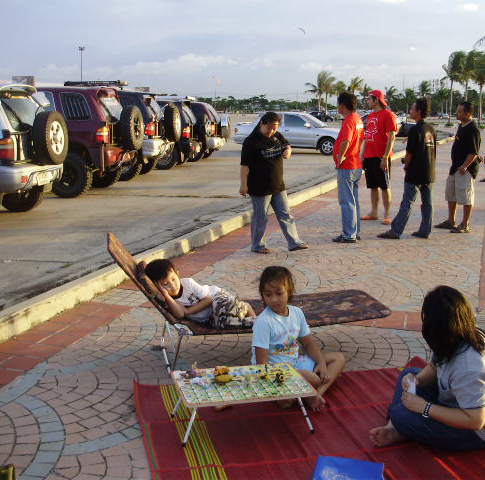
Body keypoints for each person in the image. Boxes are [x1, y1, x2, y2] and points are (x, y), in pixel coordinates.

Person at [369, 285, 485, 451]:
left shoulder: (470, 367)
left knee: (401, 414)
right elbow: (435, 368)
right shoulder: (455, 335)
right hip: (454, 401)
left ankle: (399, 425)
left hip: (474, 432)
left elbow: (475, 420)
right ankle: (395, 427)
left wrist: (425, 407)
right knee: (408, 374)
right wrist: (417, 381)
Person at [251, 266, 345, 411]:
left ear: (289, 291)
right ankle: (301, 391)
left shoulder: (296, 313)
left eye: (279, 293)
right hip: (275, 371)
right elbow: (261, 365)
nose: (273, 299)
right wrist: (282, 377)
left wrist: (321, 363)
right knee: (309, 383)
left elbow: (308, 344)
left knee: (338, 359)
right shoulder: (263, 322)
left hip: (296, 362)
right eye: (268, 294)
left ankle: (315, 395)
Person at [240, 112, 308, 254]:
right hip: (259, 186)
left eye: (275, 128)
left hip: (277, 184)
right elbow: (244, 166)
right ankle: (258, 246)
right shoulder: (251, 141)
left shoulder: (277, 136)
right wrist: (243, 185)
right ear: (262, 124)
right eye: (269, 128)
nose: (272, 131)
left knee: (285, 214)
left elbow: (286, 144)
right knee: (261, 217)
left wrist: (288, 150)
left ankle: (294, 243)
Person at [137, 259, 256, 329]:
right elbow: (180, 315)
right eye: (165, 284)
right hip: (212, 317)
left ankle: (245, 307)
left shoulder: (188, 283)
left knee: (220, 306)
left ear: (178, 274)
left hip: (218, 298)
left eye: (173, 279)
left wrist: (188, 311)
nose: (172, 286)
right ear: (158, 286)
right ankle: (255, 321)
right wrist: (167, 296)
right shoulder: (168, 300)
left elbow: (209, 299)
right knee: (222, 324)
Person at [378, 98, 436, 240]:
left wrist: (406, 166)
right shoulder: (430, 129)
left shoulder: (415, 130)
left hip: (415, 172)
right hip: (429, 172)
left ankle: (396, 231)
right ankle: (425, 230)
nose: (410, 111)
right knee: (427, 203)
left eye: (412, 108)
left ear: (418, 111)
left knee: (407, 203)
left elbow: (409, 153)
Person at [434, 101, 481, 234]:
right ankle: (451, 220)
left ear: (468, 113)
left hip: (465, 169)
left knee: (466, 196)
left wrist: (465, 166)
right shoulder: (461, 126)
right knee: (451, 194)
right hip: (455, 167)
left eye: (460, 111)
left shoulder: (473, 129)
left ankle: (465, 223)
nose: (457, 113)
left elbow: (473, 152)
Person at [361, 90, 398, 225]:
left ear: (376, 100)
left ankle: (387, 214)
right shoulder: (371, 115)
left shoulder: (388, 115)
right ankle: (374, 212)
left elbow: (391, 137)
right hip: (369, 155)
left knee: (384, 186)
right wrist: (362, 155)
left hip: (381, 156)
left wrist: (385, 157)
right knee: (373, 186)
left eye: (369, 99)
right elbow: (367, 136)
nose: (367, 101)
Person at [332, 92, 364, 243]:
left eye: (338, 104)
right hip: (356, 164)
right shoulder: (358, 119)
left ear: (342, 105)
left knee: (346, 202)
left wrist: (340, 157)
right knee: (353, 201)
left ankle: (349, 234)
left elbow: (346, 140)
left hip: (347, 166)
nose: (337, 107)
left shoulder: (349, 121)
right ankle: (354, 231)